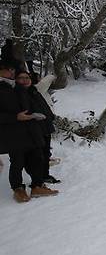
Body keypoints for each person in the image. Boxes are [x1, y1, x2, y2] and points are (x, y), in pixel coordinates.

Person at [0, 62, 59, 203]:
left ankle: (37, 186)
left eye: (12, 68)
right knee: (17, 162)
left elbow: (33, 104)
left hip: (31, 130)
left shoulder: (17, 87)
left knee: (37, 158)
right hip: (12, 133)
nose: (11, 71)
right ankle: (18, 189)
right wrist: (15, 117)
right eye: (8, 69)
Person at [16, 70, 60, 184]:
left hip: (45, 126)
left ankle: (45, 175)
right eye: (21, 78)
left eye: (27, 78)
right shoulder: (18, 93)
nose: (25, 80)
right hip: (34, 129)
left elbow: (43, 105)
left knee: (46, 153)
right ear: (16, 80)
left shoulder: (34, 90)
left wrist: (51, 116)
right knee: (37, 156)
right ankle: (37, 180)